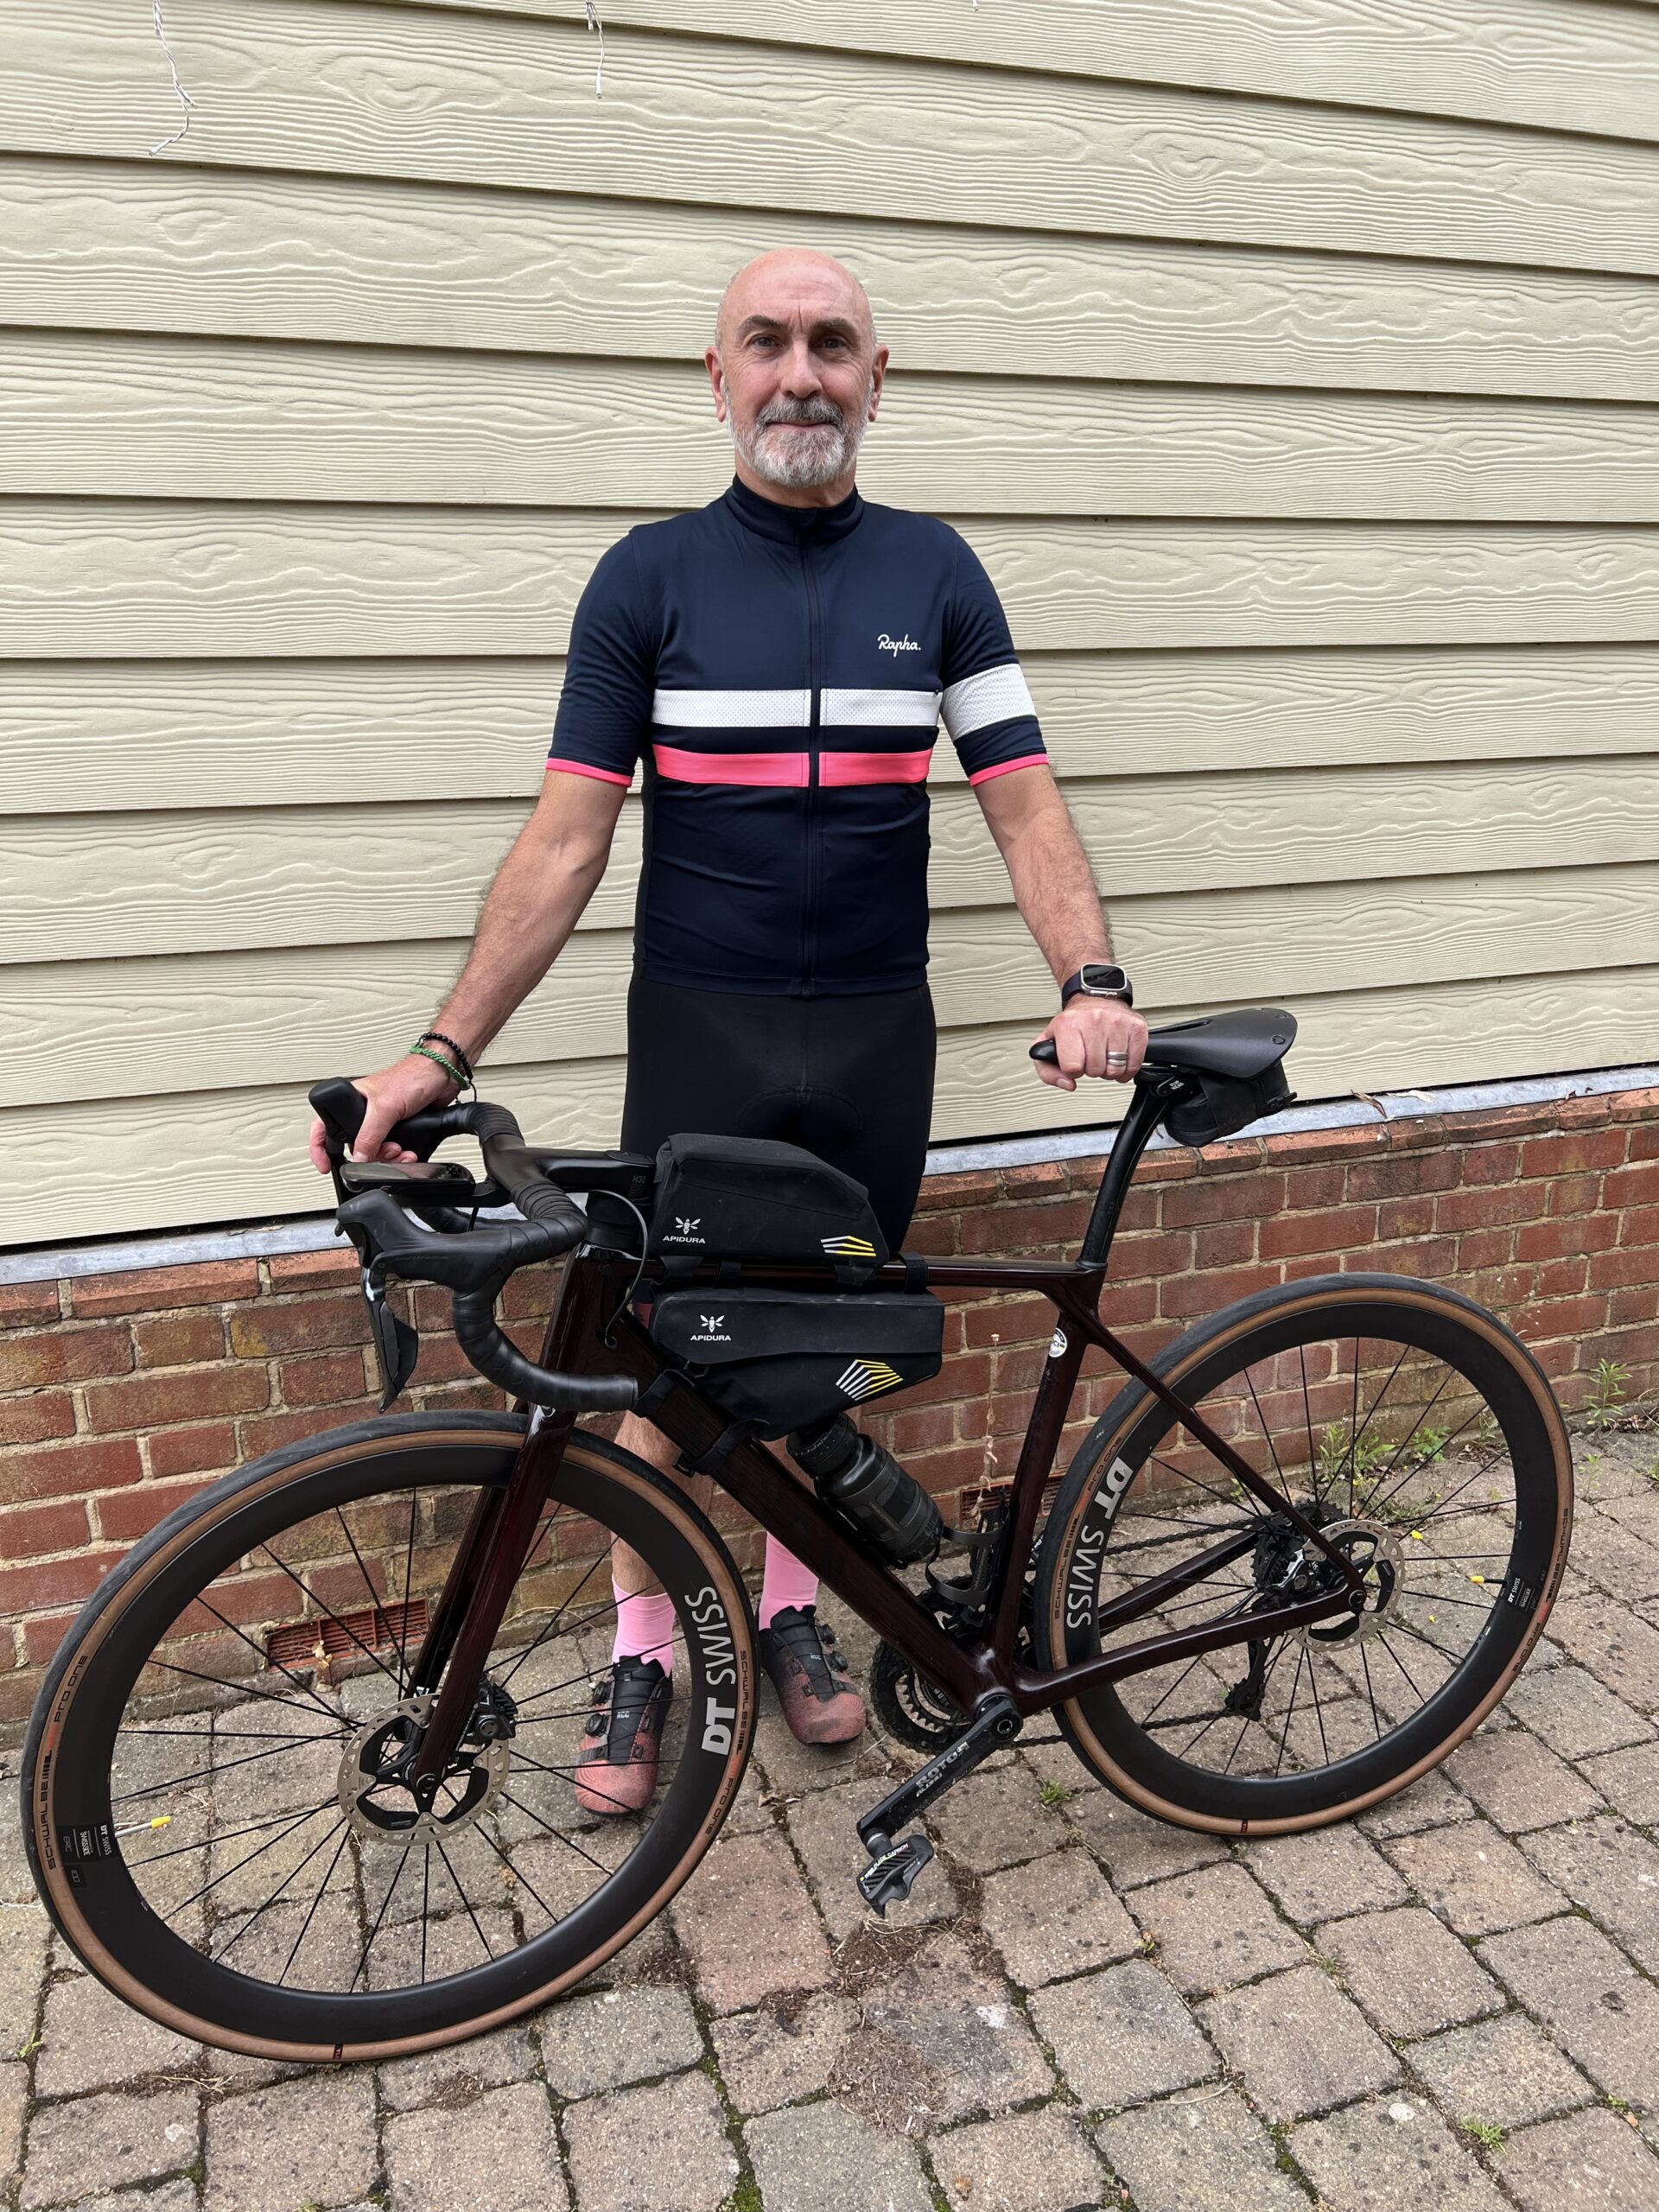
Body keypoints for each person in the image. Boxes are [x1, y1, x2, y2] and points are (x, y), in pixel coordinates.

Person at [308, 248, 1147, 1813]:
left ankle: (784, 1611)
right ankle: (644, 1641)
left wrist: (1090, 980)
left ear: (877, 379)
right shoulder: (650, 579)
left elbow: (1022, 804)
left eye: (833, 344)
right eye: (766, 342)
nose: (801, 373)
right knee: (651, 1367)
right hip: (704, 1035)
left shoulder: (939, 573)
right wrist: (442, 1052)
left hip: (877, 1040)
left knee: (820, 1360)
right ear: (718, 378)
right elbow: (565, 843)